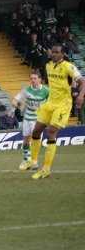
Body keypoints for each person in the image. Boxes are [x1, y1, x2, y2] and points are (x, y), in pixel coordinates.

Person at [30, 44, 85, 179]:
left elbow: (83, 82)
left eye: (57, 52)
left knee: (51, 131)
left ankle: (46, 169)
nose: (53, 54)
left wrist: (80, 96)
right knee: (36, 131)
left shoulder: (68, 67)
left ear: (62, 54)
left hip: (62, 105)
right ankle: (33, 161)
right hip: (50, 103)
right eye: (53, 52)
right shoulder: (48, 65)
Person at [12, 71, 49, 170]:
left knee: (35, 140)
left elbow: (51, 103)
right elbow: (14, 100)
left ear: (40, 79)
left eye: (35, 78)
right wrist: (18, 105)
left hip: (39, 119)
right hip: (27, 119)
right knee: (26, 140)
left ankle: (34, 161)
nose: (32, 80)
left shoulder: (46, 91)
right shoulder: (26, 90)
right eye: (31, 78)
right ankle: (26, 160)